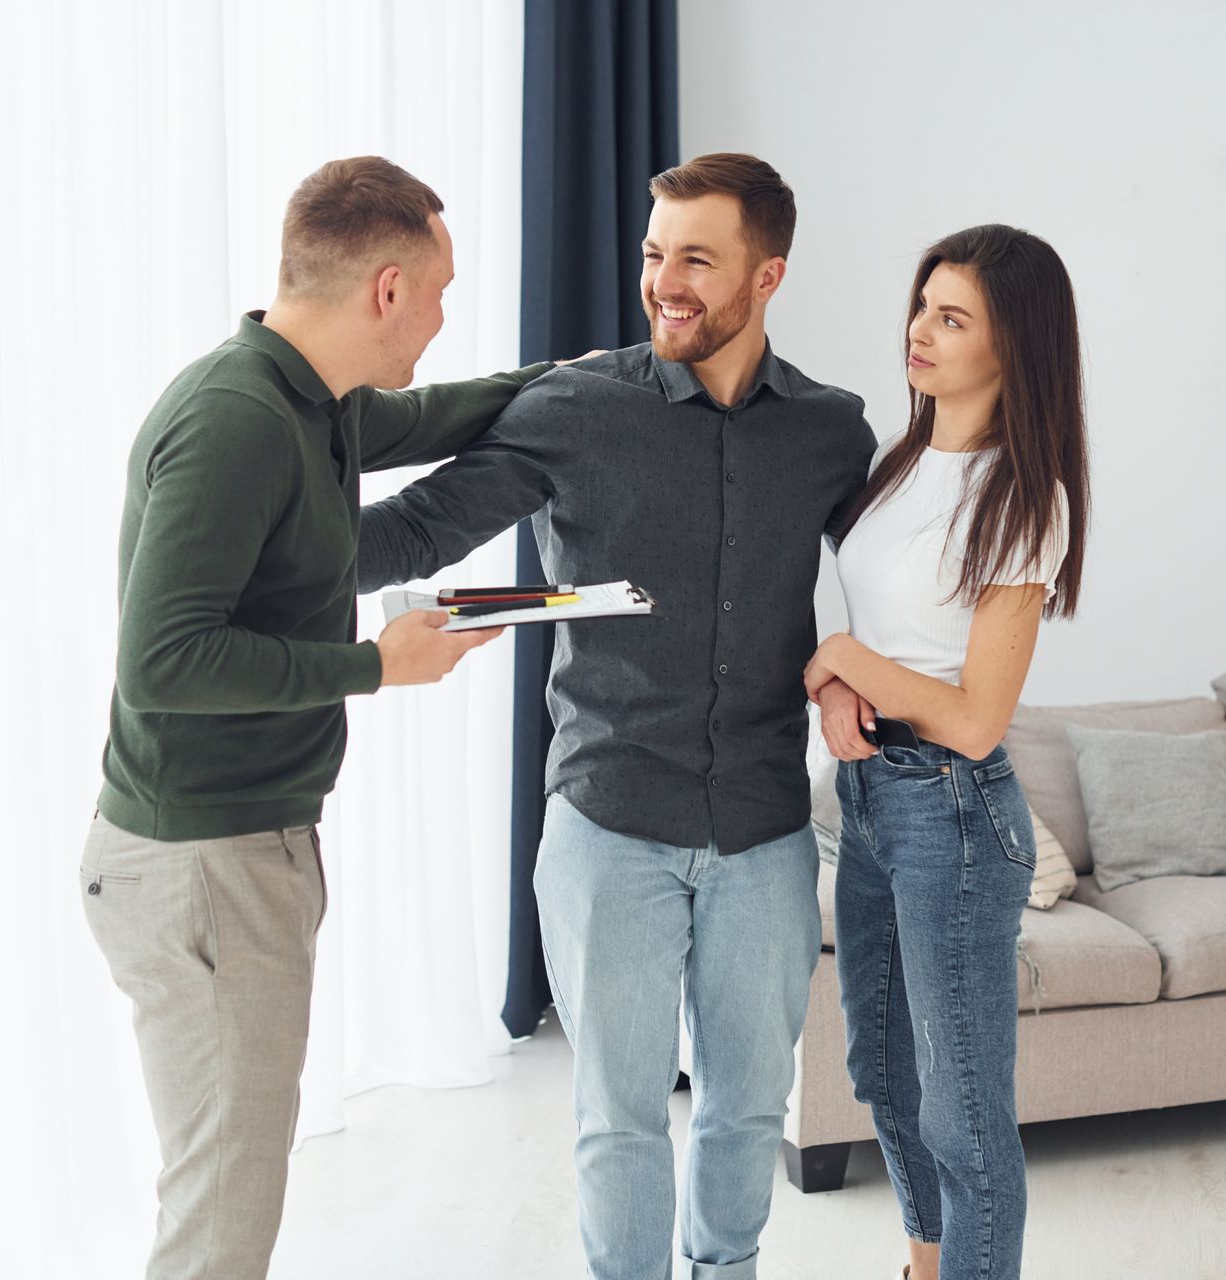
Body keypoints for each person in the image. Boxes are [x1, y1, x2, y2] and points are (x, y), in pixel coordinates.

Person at [356, 153, 875, 1280]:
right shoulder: (578, 406)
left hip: (766, 829)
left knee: (747, 1107)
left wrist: (846, 669)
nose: (665, 282)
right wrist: (247, 525)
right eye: (653, 254)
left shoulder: (833, 432)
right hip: (608, 825)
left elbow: (895, 583)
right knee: (620, 1116)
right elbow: (411, 533)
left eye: (697, 257)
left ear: (768, 273)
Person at [81, 155, 581, 1280]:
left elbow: (429, 415)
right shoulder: (236, 420)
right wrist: (374, 663)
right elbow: (160, 659)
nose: (444, 320)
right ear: (388, 289)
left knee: (227, 1183)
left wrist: (583, 379)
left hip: (237, 844)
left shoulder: (312, 400)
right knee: (222, 1207)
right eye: (442, 294)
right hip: (202, 855)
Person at [801, 225, 1089, 1280]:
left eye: (952, 316)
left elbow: (975, 716)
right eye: (922, 304)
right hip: (870, 797)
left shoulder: (1026, 497)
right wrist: (840, 676)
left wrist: (842, 657)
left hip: (953, 813)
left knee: (965, 1116)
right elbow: (880, 633)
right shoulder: (905, 460)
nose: (919, 330)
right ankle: (927, 1263)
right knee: (880, 1068)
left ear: (1015, 346)